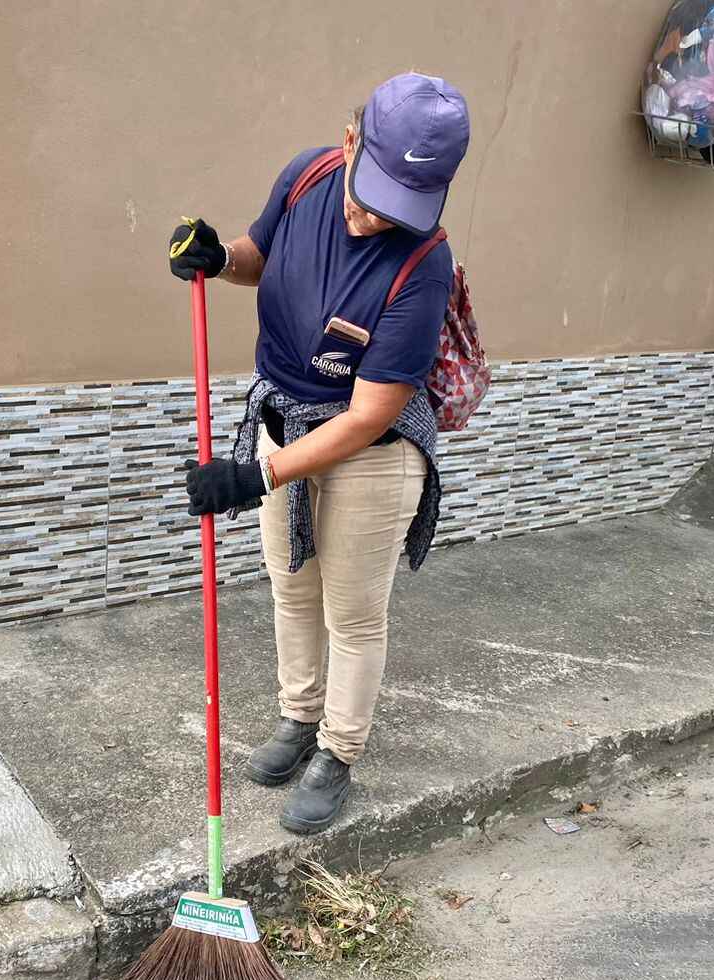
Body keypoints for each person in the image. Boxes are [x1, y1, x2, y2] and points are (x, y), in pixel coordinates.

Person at [170, 72, 470, 835]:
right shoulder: (305, 178)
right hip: (285, 418)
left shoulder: (422, 264)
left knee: (353, 615)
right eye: (368, 197)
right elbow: (256, 257)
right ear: (348, 142)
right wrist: (216, 256)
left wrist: (257, 474)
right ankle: (299, 720)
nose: (374, 222)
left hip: (372, 448)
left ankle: (339, 752)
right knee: (291, 586)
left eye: (398, 209)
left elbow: (372, 414)